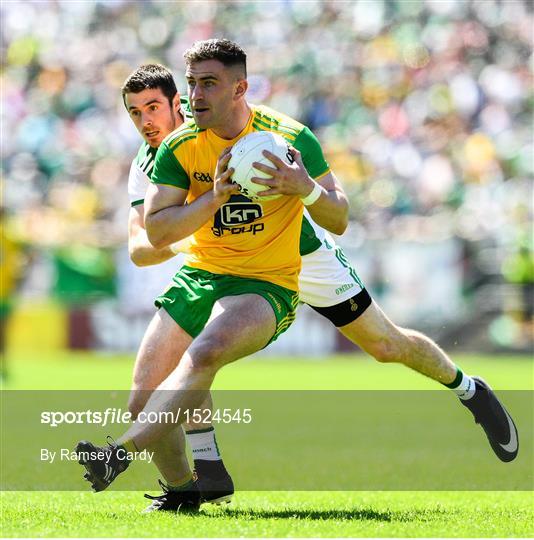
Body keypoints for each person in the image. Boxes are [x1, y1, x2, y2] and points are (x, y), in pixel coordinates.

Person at [77, 39, 518, 511]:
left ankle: (468, 388)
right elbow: (145, 244)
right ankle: (199, 478)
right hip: (221, 263)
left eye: (157, 107)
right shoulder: (159, 159)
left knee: (386, 345)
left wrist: (302, 188)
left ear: (180, 103)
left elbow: (339, 213)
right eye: (135, 113)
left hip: (300, 254)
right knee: (183, 368)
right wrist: (202, 218)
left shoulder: (277, 135)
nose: (149, 122)